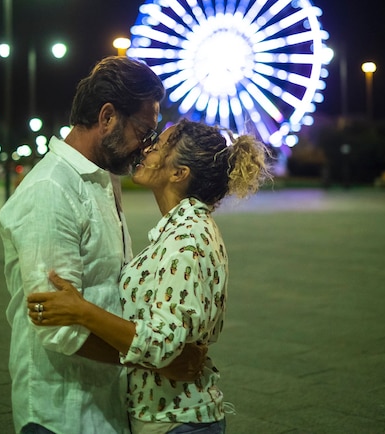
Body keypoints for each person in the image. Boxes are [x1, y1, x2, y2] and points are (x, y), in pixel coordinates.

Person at [0, 56, 202, 434]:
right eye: (144, 130)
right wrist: (153, 360)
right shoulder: (51, 190)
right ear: (107, 116)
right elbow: (55, 327)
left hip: (104, 404)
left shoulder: (104, 180)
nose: (147, 145)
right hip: (62, 411)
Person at [27, 119, 272, 434]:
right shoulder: (184, 230)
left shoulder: (187, 239)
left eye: (160, 145)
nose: (147, 147)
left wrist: (81, 311)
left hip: (177, 420)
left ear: (178, 173)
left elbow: (162, 343)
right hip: (171, 418)